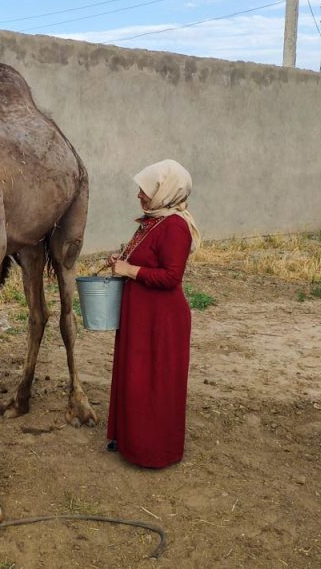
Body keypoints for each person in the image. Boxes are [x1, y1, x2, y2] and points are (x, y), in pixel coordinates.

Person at [106, 159, 201, 469]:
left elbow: (171, 277)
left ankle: (153, 451)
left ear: (166, 192)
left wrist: (129, 269)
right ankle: (132, 443)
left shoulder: (175, 226)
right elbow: (146, 261)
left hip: (162, 321)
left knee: (154, 384)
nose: (140, 196)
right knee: (136, 377)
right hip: (141, 315)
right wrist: (121, 260)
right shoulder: (152, 221)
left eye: (146, 191)